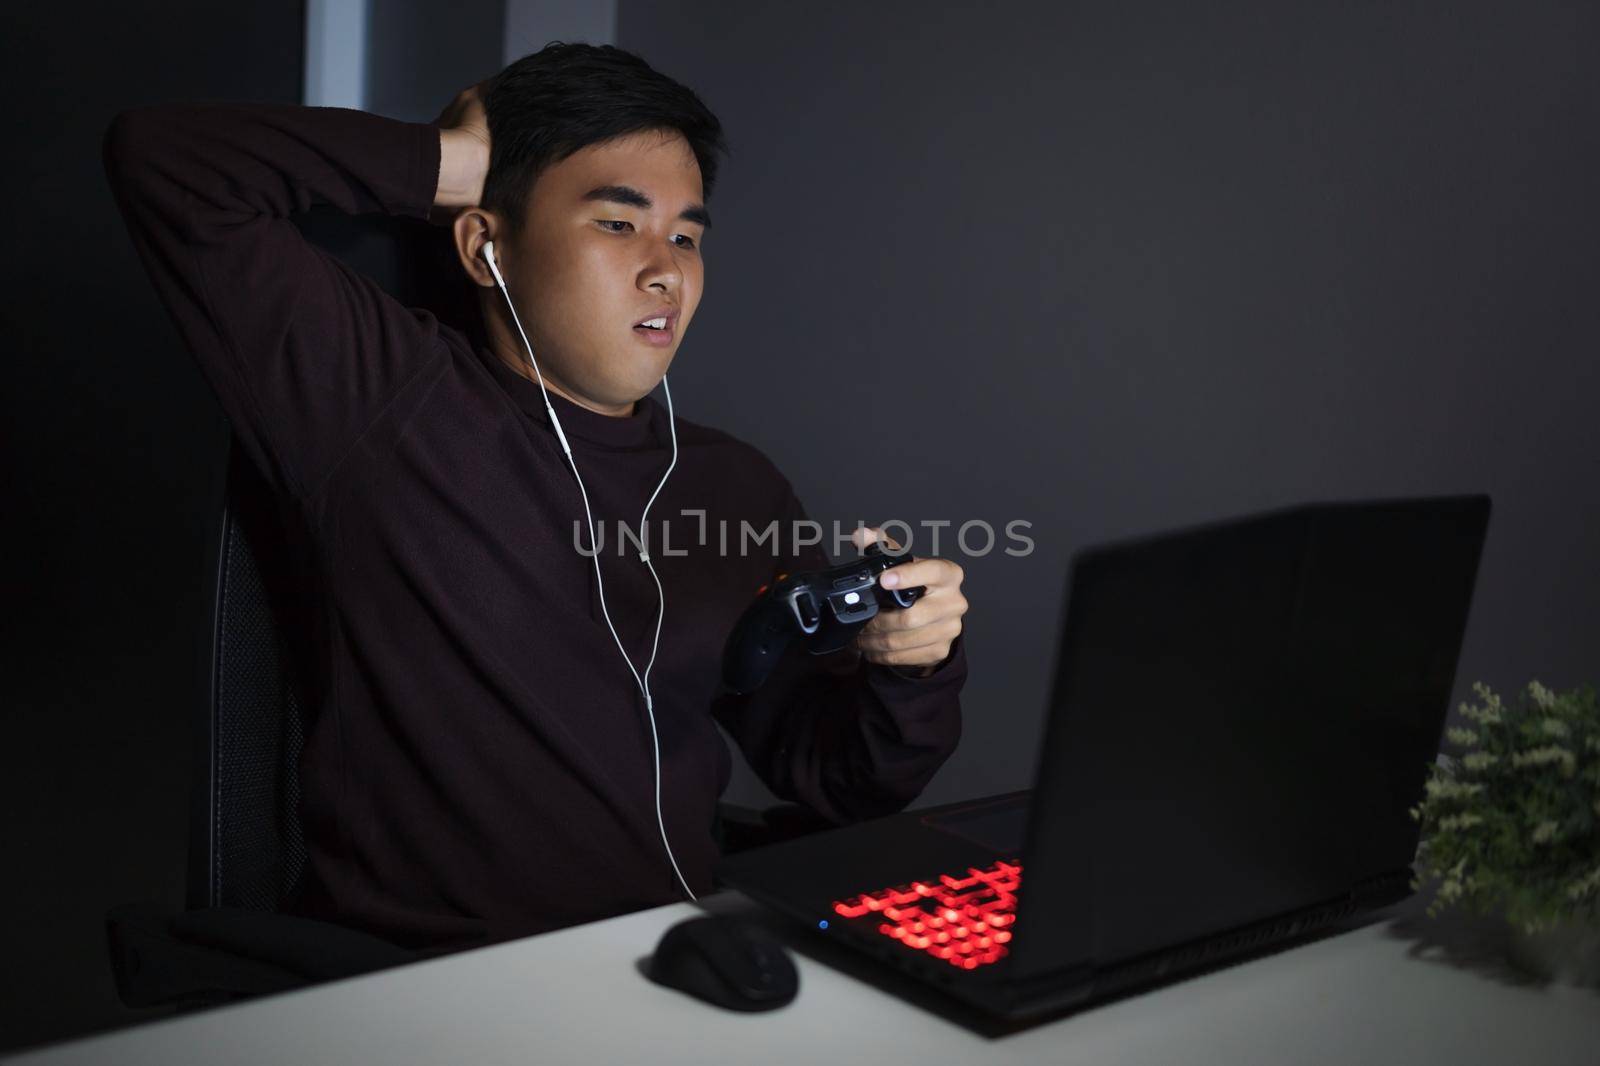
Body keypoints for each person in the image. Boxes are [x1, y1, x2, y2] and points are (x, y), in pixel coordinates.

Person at [102, 41, 969, 954]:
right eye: (616, 224)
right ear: (487, 248)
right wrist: (450, 164)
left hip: (680, 957)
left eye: (686, 236)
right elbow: (166, 162)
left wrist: (906, 668)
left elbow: (842, 780)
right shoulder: (385, 403)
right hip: (444, 983)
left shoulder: (735, 484)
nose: (665, 271)